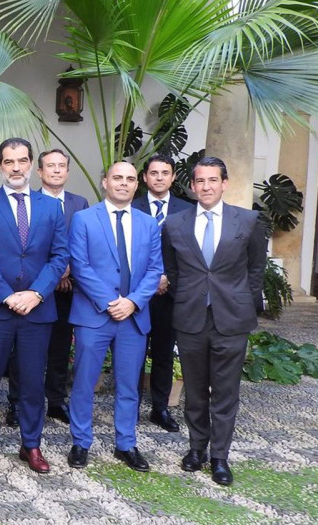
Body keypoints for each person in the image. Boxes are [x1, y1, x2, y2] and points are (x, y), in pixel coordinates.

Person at [0, 138, 68, 474]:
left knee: (32, 382)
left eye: (22, 161)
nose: (16, 167)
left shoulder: (51, 207)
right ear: (0, 166)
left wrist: (36, 293)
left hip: (37, 310)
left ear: (31, 165)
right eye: (9, 162)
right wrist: (7, 295)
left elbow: (59, 256)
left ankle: (32, 445)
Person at [163, 156, 266, 486]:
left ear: (225, 183)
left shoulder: (247, 222)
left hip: (232, 320)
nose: (206, 187)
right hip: (191, 318)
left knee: (225, 392)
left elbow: (255, 271)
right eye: (200, 181)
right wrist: (188, 298)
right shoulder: (175, 224)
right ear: (191, 187)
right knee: (194, 391)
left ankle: (220, 457)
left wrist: (243, 306)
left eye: (213, 180)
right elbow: (174, 271)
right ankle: (196, 450)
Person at [65, 162, 163, 472]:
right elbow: (80, 266)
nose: (123, 183)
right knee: (83, 382)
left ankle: (126, 444)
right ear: (105, 181)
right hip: (94, 314)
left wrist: (132, 302)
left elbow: (154, 270)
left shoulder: (149, 224)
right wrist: (111, 301)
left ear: (138, 185)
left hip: (133, 318)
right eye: (117, 178)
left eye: (130, 179)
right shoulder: (83, 219)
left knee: (129, 385)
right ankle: (80, 442)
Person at [13, 148, 90, 425]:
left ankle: (56, 400)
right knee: (24, 349)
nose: (56, 170)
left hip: (68, 288)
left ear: (68, 172)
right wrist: (51, 275)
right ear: (40, 171)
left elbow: (83, 243)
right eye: (50, 166)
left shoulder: (80, 203)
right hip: (34, 287)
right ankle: (16, 403)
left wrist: (68, 270)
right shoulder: (27, 201)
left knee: (59, 347)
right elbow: (25, 246)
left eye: (61, 166)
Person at [134, 154, 193, 432]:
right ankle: (129, 406)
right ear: (144, 178)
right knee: (133, 352)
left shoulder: (186, 210)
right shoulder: (131, 207)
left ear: (173, 177)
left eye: (165, 173)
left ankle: (160, 408)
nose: (159, 177)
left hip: (170, 293)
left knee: (163, 353)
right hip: (136, 294)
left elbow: (189, 252)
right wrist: (148, 280)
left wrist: (168, 277)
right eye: (153, 173)